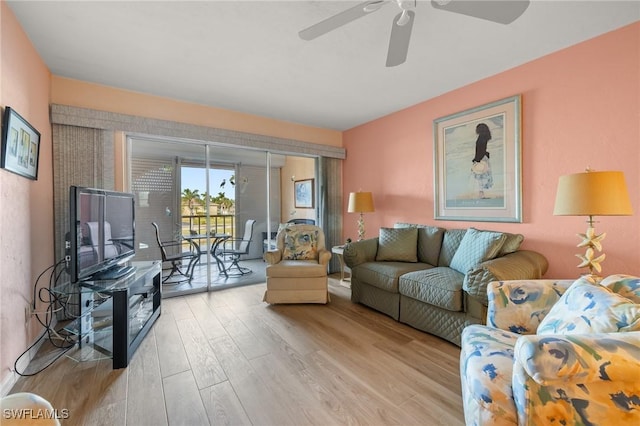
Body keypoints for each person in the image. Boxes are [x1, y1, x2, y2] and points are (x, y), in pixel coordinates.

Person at [471, 122, 493, 199]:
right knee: (484, 177)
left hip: (481, 158)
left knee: (480, 177)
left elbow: (479, 150)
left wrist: (476, 159)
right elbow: (482, 150)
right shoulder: (484, 137)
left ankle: (481, 194)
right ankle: (482, 194)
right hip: (484, 158)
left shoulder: (481, 138)